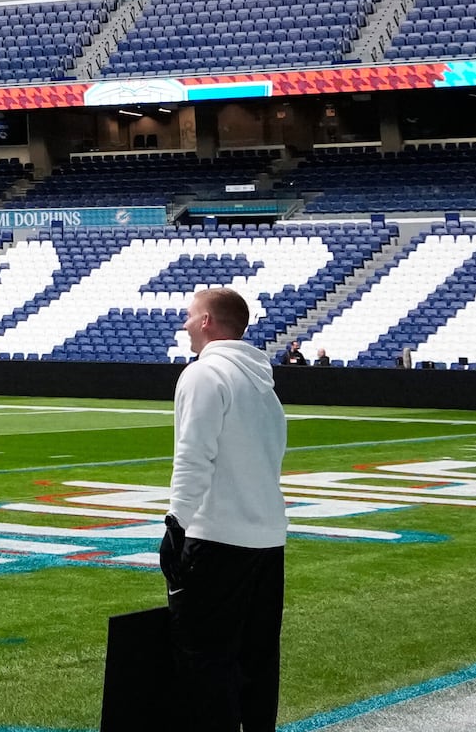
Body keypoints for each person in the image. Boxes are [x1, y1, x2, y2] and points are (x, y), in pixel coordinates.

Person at [164, 286, 287, 732]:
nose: (185, 324)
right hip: (268, 541)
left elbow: (194, 455)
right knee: (257, 664)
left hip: (217, 541)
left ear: (207, 323)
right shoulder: (264, 387)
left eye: (190, 316)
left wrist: (176, 523)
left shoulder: (203, 375)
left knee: (204, 663)